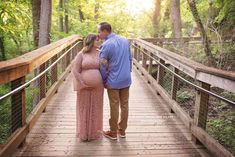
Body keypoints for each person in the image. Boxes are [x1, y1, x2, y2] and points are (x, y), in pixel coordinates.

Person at [98, 22, 132, 140]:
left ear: (105, 31)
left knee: (114, 106)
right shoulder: (125, 40)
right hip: (126, 79)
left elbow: (102, 65)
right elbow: (130, 58)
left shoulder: (106, 45)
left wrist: (104, 80)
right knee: (125, 105)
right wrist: (129, 72)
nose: (98, 34)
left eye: (99, 31)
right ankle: (122, 131)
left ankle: (113, 132)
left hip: (113, 80)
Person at [72, 34, 104, 141]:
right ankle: (84, 133)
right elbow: (75, 70)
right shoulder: (81, 54)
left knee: (96, 108)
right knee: (84, 108)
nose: (99, 42)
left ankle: (94, 133)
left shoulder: (100, 53)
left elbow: (105, 68)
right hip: (84, 87)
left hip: (98, 87)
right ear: (91, 41)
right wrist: (82, 83)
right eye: (97, 40)